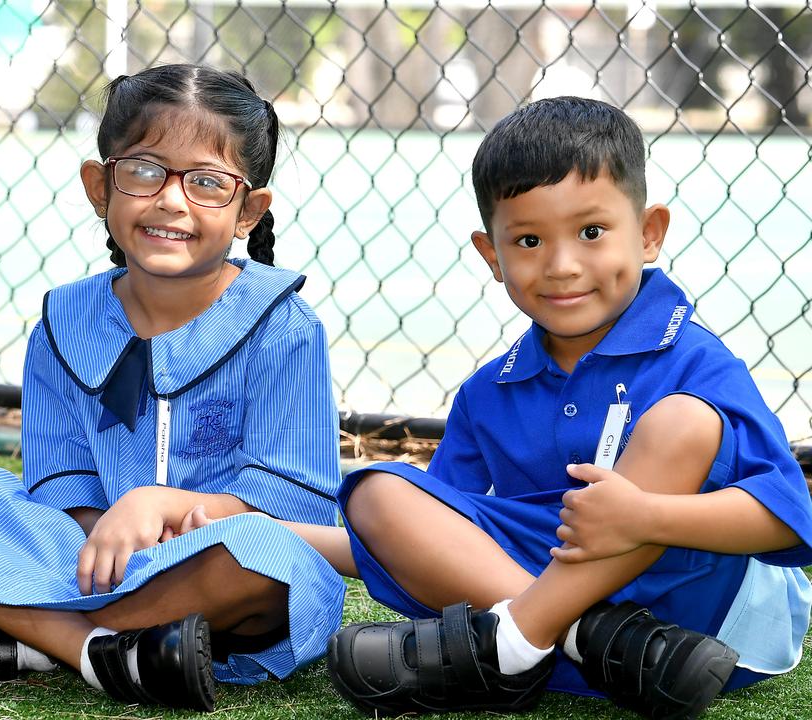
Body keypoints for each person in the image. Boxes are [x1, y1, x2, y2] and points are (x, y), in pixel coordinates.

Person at [0, 63, 345, 711]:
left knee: (269, 560)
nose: (171, 200)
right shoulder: (65, 323)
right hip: (81, 552)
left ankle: (23, 641)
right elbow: (57, 480)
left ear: (248, 211)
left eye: (207, 182)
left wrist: (157, 507)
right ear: (101, 187)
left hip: (210, 565)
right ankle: (98, 651)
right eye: (145, 170)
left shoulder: (283, 326)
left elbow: (292, 500)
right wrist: (104, 536)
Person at [324, 97, 812, 719]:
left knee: (683, 420)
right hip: (636, 660)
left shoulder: (694, 359)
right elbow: (442, 539)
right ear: (492, 255)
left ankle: (520, 637)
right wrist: (275, 535)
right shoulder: (486, 392)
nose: (561, 266)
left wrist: (646, 517)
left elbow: (788, 521)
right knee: (375, 493)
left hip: (702, 621)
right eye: (528, 240)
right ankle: (570, 634)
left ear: (650, 233)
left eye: (591, 232)